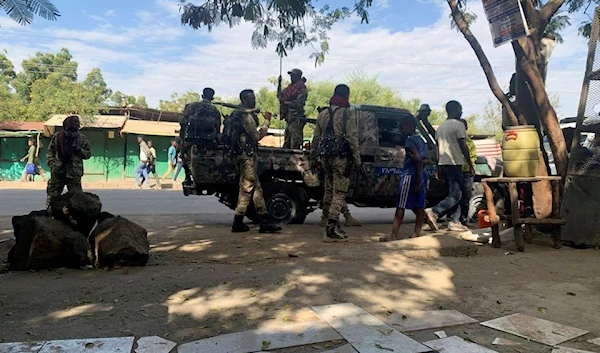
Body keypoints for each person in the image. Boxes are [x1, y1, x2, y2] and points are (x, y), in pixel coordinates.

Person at [311, 84, 361, 242]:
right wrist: (357, 159)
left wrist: (313, 158)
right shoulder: (347, 113)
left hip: (325, 156)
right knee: (340, 192)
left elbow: (316, 139)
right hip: (340, 157)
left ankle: (325, 218)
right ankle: (331, 230)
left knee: (329, 188)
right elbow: (352, 138)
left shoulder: (323, 113)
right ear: (346, 96)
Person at [228, 89, 282, 234]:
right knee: (247, 189)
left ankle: (265, 220)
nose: (254, 100)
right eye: (251, 98)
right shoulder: (246, 116)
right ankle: (237, 221)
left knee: (257, 189)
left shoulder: (235, 114)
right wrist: (267, 121)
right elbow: (256, 136)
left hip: (239, 155)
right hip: (247, 156)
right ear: (244, 100)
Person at [424, 101, 474, 232]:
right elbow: (463, 146)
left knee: (453, 192)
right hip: (454, 163)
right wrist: (469, 163)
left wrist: (437, 166)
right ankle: (434, 211)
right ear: (455, 110)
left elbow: (437, 148)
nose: (461, 112)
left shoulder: (441, 128)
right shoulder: (458, 125)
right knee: (457, 195)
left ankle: (453, 221)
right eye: (460, 109)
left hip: (443, 163)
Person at [380, 116, 428, 242]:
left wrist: (417, 179)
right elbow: (426, 159)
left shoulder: (410, 141)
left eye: (403, 127)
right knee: (419, 205)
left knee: (401, 205)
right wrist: (420, 177)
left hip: (410, 175)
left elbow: (417, 159)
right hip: (422, 174)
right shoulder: (421, 141)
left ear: (410, 126)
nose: (401, 130)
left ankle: (394, 234)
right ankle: (416, 232)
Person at [45, 116, 91, 211]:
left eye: (76, 125)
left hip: (74, 174)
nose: (75, 126)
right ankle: (50, 216)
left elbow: (88, 154)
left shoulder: (81, 139)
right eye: (72, 125)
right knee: (52, 197)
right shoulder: (57, 137)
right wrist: (53, 165)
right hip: (58, 172)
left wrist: (78, 150)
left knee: (76, 199)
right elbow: (50, 152)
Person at [180, 87, 221, 186]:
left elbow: (183, 123)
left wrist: (182, 140)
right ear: (212, 98)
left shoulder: (192, 107)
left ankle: (187, 177)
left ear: (202, 96)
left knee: (183, 155)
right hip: (209, 141)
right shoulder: (214, 110)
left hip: (191, 139)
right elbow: (217, 127)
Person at [278, 68, 308, 149]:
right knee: (287, 142)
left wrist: (285, 103)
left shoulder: (302, 88)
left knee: (295, 143)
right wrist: (279, 83)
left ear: (298, 77)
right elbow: (280, 96)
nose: (291, 77)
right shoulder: (290, 88)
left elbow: (299, 104)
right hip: (289, 118)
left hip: (296, 118)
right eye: (291, 76)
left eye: (293, 76)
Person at [459, 119, 477, 224]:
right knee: (458, 195)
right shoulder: (456, 142)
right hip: (459, 170)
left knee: (466, 196)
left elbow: (473, 156)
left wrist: (471, 166)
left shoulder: (469, 142)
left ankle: (463, 218)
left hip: (466, 171)